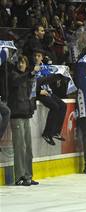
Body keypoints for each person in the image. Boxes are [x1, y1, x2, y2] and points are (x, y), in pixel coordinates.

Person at [8, 55, 38, 186]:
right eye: (19, 62)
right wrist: (31, 73)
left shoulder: (27, 78)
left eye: (23, 63)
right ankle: (19, 176)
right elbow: (17, 81)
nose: (21, 65)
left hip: (25, 115)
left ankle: (28, 176)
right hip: (16, 115)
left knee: (28, 148)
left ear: (26, 64)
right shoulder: (13, 76)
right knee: (20, 147)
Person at [33, 48, 67, 145]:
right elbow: (31, 84)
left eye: (39, 56)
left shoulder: (45, 67)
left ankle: (56, 132)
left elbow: (48, 79)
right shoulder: (32, 68)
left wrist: (59, 75)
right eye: (35, 56)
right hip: (39, 93)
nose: (36, 58)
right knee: (55, 107)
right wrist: (39, 91)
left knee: (63, 105)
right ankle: (47, 133)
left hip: (48, 91)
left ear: (42, 57)